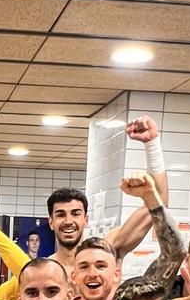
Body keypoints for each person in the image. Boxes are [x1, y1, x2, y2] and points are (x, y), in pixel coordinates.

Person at [46, 116, 171, 272]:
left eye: (75, 213)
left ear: (86, 219)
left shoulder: (106, 251)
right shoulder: (44, 270)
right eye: (60, 215)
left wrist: (151, 144)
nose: (68, 221)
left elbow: (158, 203)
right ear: (51, 222)